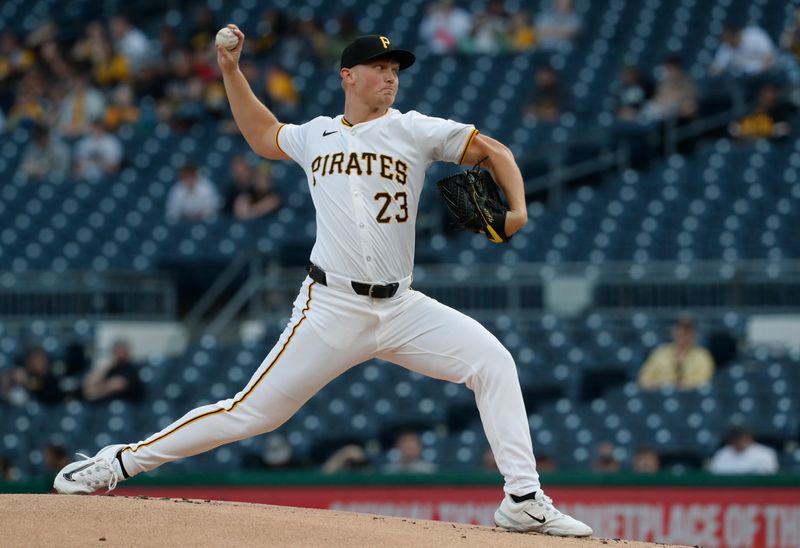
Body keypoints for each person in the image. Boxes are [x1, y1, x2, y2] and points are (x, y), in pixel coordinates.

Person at [53, 30, 592, 538]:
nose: (390, 76)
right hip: (331, 307)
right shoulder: (316, 134)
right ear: (347, 76)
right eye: (378, 67)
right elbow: (263, 134)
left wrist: (517, 208)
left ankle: (522, 501)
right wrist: (231, 70)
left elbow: (496, 150)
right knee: (251, 413)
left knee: (493, 361)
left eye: (394, 69)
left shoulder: (413, 129)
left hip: (401, 307)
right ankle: (116, 462)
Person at [637, 315, 715, 390]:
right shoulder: (660, 352)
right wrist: (661, 386)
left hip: (691, 400)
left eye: (688, 331)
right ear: (674, 331)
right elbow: (643, 381)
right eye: (681, 330)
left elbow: (704, 383)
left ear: (694, 334)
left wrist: (679, 386)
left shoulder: (702, 355)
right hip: (659, 397)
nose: (684, 335)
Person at [728, 83, 793, 140]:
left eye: (772, 93)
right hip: (748, 148)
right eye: (766, 93)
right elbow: (734, 130)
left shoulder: (781, 113)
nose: (769, 96)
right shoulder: (748, 112)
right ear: (760, 94)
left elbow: (784, 131)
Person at [710, 25, 777, 78]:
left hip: (764, 74)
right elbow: (716, 68)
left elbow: (770, 56)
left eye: (730, 38)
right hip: (742, 78)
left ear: (736, 35)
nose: (729, 42)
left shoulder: (754, 35)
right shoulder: (727, 46)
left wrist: (759, 70)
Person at [708, 427, 778, 475]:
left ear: (749, 438)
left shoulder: (765, 454)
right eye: (735, 438)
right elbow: (714, 475)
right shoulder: (722, 454)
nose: (739, 441)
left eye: (741, 438)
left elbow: (768, 478)